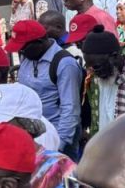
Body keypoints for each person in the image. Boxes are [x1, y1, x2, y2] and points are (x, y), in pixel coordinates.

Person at [10, 20, 81, 157]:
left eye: (23, 48)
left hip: (57, 138)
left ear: (39, 42)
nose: (21, 52)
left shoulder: (65, 64)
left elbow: (70, 109)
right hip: (32, 136)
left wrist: (58, 147)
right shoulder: (28, 56)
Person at [81, 25, 125, 140]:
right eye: (89, 66)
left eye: (96, 66)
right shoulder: (103, 77)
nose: (93, 71)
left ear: (114, 56)